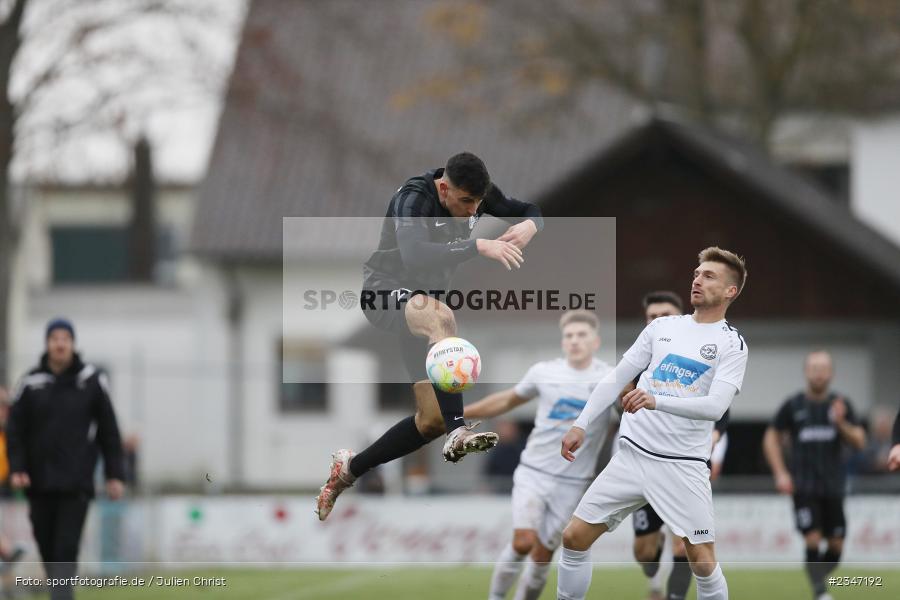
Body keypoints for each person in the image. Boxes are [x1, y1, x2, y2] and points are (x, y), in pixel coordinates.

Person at [316, 152, 543, 520]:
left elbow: (528, 208)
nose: (473, 211)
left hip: (421, 309)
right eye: (466, 202)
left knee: (430, 420)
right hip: (383, 293)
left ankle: (349, 470)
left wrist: (533, 225)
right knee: (442, 317)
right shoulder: (414, 197)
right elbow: (416, 255)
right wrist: (478, 245)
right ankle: (458, 431)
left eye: (479, 203)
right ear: (443, 188)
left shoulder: (477, 196)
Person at [557, 247, 749, 600]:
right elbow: (617, 378)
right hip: (631, 457)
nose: (697, 279)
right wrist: (580, 424)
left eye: (709, 276)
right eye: (696, 272)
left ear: (729, 292)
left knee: (703, 563)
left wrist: (655, 400)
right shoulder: (662, 327)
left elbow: (716, 406)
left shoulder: (731, 344)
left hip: (682, 466)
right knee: (573, 538)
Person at [463, 310, 612, 600]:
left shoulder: (609, 378)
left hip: (573, 482)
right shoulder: (544, 371)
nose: (574, 340)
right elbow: (507, 399)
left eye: (582, 335)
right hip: (534, 472)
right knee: (523, 542)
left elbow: (630, 410)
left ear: (596, 342)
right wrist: (459, 414)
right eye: (569, 335)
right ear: (562, 342)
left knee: (543, 554)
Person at [622, 291, 730, 600]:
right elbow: (620, 404)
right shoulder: (639, 361)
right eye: (651, 317)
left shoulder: (700, 356)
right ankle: (653, 567)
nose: (657, 321)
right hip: (643, 462)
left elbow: (720, 406)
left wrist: (716, 439)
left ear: (679, 316)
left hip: (683, 462)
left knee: (684, 542)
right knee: (644, 553)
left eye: (663, 315)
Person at [6, 319, 125, 600]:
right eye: (54, 338)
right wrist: (18, 468)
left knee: (65, 551)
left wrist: (114, 474)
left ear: (73, 343)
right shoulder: (30, 383)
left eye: (65, 338)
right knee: (49, 552)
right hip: (39, 483)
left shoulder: (91, 381)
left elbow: (109, 431)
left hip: (76, 484)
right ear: (47, 344)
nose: (60, 344)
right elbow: (15, 432)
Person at [762, 350, 866, 600]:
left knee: (836, 548)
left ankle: (814, 572)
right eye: (814, 368)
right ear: (806, 372)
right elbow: (771, 437)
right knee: (812, 538)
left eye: (823, 368)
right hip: (804, 487)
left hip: (834, 487)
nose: (818, 373)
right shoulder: (793, 405)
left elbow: (860, 441)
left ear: (830, 373)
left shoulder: (842, 404)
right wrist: (780, 473)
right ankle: (820, 592)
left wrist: (841, 423)